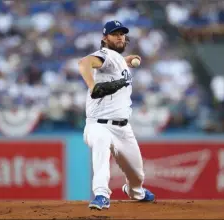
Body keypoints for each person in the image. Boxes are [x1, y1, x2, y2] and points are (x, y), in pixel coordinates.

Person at [78, 20, 155, 210]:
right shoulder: (107, 55)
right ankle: (101, 194)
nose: (120, 36)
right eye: (115, 34)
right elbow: (84, 62)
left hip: (123, 128)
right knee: (102, 143)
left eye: (122, 33)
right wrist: (92, 86)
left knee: (137, 176)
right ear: (105, 38)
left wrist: (126, 61)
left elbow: (114, 63)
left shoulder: (117, 59)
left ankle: (135, 191)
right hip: (98, 125)